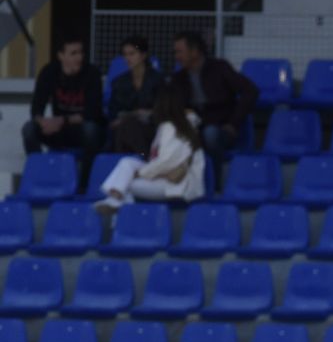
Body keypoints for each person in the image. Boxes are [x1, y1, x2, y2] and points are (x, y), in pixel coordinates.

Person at [93, 82, 205, 212]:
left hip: (176, 184)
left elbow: (166, 162)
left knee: (125, 185)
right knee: (127, 163)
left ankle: (118, 208)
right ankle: (115, 201)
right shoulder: (178, 124)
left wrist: (141, 173)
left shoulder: (172, 127)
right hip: (165, 177)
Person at [170, 30, 258, 189]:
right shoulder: (178, 78)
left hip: (222, 129)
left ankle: (214, 186)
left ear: (195, 51)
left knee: (210, 134)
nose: (176, 56)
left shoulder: (220, 68)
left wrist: (233, 123)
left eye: (179, 51)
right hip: (193, 129)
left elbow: (250, 91)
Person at [22, 34, 104, 190]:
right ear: (61, 56)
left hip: (80, 130)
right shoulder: (49, 72)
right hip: (59, 129)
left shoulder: (92, 73)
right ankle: (42, 175)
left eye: (81, 53)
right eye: (74, 53)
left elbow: (92, 113)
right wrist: (43, 122)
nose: (79, 57)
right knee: (29, 129)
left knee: (91, 130)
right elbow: (36, 109)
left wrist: (61, 121)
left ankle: (83, 187)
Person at [108, 35, 163, 158]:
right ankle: (143, 159)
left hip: (150, 128)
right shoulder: (119, 82)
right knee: (126, 126)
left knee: (129, 127)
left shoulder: (157, 80)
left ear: (143, 55)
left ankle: (125, 163)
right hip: (123, 127)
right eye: (125, 54)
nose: (128, 58)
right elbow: (113, 112)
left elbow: (162, 110)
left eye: (132, 54)